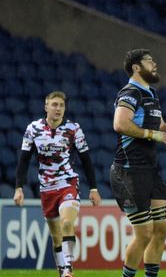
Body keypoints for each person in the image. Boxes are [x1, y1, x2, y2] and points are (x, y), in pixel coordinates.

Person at [110, 49, 166, 277]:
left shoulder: (151, 94)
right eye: (149, 60)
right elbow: (120, 124)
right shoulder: (130, 93)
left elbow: (162, 126)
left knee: (161, 230)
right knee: (145, 233)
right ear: (137, 67)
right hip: (128, 171)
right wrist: (150, 135)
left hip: (149, 171)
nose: (155, 63)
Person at [13, 91, 101, 277]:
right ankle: (62, 271)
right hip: (46, 188)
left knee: (67, 222)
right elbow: (24, 160)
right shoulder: (33, 129)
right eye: (54, 104)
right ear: (46, 107)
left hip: (68, 183)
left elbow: (86, 159)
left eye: (61, 105)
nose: (58, 108)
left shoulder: (73, 129)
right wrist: (18, 188)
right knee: (56, 237)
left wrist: (93, 188)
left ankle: (68, 268)